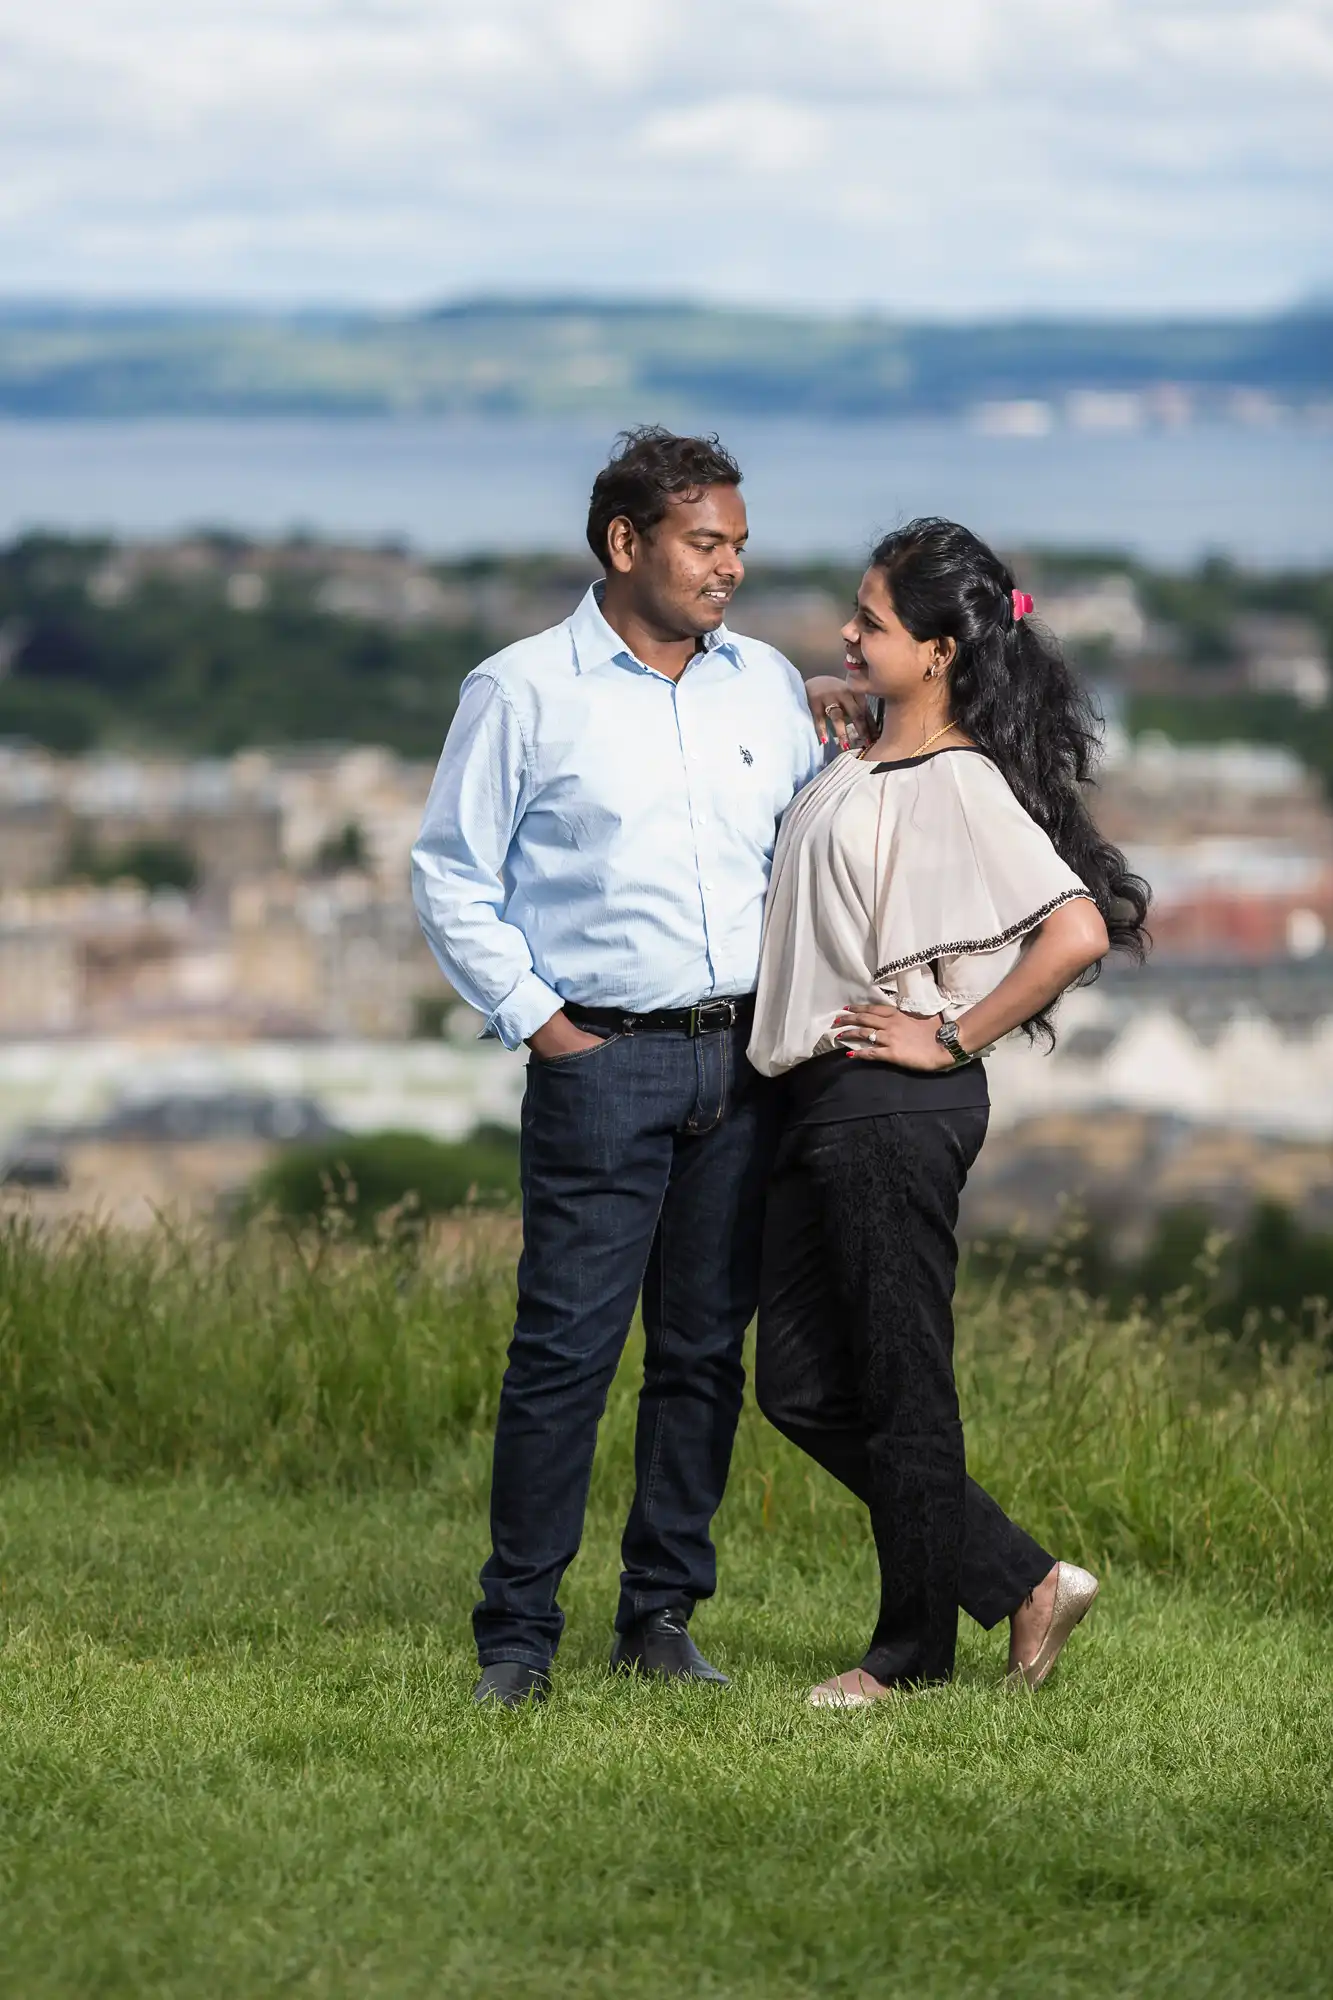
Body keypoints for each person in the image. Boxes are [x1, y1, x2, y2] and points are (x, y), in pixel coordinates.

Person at [411, 427, 858, 1706]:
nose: (727, 567)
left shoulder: (764, 683)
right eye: (703, 542)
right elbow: (448, 871)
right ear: (625, 544)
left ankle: (659, 1616)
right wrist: (544, 1024)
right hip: (599, 1061)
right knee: (562, 1352)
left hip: (743, 1062)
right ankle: (516, 1638)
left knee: (703, 1354)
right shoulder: (520, 689)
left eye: (737, 545)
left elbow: (810, 839)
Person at [748, 517, 1150, 1706]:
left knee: (900, 1377)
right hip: (821, 1101)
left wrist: (952, 1033)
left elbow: (1075, 928)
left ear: (935, 650)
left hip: (890, 1105)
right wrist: (842, 697)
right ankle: (1023, 1580)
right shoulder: (872, 755)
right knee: (801, 1388)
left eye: (867, 621)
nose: (843, 631)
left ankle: (908, 1654)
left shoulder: (960, 778)